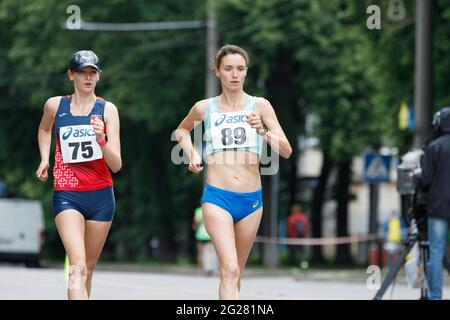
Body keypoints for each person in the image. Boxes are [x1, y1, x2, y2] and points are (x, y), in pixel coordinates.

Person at [175, 44, 292, 299]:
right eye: (228, 69)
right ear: (217, 71)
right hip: (218, 197)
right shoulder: (205, 108)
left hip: (251, 200)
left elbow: (286, 150)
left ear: (246, 72)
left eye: (240, 69)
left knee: (236, 271)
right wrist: (193, 154)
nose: (234, 74)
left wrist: (262, 130)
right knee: (228, 269)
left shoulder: (260, 106)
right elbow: (181, 131)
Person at [36, 50, 122, 300]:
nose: (88, 77)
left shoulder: (108, 110)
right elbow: (44, 129)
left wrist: (101, 139)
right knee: (77, 266)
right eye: (82, 72)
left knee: (89, 270)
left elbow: (116, 164)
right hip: (68, 194)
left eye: (92, 72)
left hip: (101, 197)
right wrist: (45, 158)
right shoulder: (55, 105)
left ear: (99, 76)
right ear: (71, 75)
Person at [419, 106, 450, 300]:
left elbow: (426, 181)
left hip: (438, 208)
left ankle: (435, 296)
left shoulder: (434, 147)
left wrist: (417, 178)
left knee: (436, 254)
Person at [192, 206, 218, 276]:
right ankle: (210, 270)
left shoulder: (198, 210)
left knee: (201, 253)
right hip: (209, 235)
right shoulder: (212, 208)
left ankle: (202, 270)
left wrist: (195, 227)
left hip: (200, 235)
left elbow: (195, 223)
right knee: (211, 253)